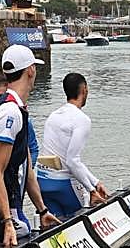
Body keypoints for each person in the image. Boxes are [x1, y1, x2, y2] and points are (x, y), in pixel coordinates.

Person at [0, 44, 58, 248]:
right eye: (34, 68)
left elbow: (26, 168)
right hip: (5, 211)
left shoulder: (17, 109)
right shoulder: (9, 113)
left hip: (12, 206)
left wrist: (42, 210)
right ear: (30, 70)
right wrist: (8, 222)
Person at [36, 72, 107, 218]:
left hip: (43, 182)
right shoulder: (82, 120)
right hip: (65, 185)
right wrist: (91, 190)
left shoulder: (53, 116)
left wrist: (95, 182)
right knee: (82, 222)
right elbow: (72, 161)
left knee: (55, 227)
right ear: (84, 90)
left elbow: (68, 159)